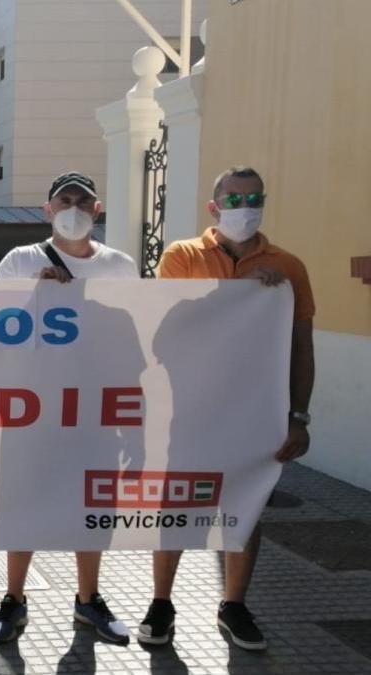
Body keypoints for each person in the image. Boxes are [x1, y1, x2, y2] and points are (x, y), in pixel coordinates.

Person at [140, 166, 314, 652]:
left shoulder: (289, 267)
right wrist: (238, 296)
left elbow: (302, 346)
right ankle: (160, 603)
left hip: (255, 413)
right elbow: (163, 326)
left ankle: (234, 605)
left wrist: (298, 416)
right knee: (173, 505)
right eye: (233, 199)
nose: (245, 206)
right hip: (187, 410)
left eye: (254, 197)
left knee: (246, 508)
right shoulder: (181, 256)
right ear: (213, 207)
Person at [0, 172, 139, 646]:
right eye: (63, 200)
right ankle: (13, 598)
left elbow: (132, 338)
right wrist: (37, 296)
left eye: (82, 200)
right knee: (21, 501)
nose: (72, 207)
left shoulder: (121, 266)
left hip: (96, 407)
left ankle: (88, 599)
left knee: (94, 505)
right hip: (31, 407)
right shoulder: (20, 261)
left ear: (98, 210)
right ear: (47, 210)